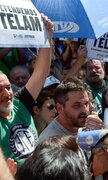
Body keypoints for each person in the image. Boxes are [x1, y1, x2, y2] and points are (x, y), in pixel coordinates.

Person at [0, 15, 54, 165]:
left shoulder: (20, 103)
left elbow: (40, 73)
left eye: (8, 87)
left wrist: (47, 37)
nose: (6, 94)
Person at [38, 77, 108, 177]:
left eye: (86, 104)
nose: (85, 110)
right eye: (77, 105)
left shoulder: (85, 125)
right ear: (60, 108)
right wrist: (93, 172)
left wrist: (102, 134)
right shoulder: (49, 142)